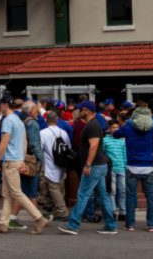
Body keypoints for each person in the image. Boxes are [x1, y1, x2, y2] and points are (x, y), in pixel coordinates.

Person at [0, 99, 48, 234]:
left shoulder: (8, 120)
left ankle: (39, 218)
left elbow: (4, 141)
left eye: (0, 105)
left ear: (4, 105)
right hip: (16, 160)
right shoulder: (19, 120)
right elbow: (25, 141)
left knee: (16, 193)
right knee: (8, 194)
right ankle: (3, 223)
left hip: (9, 161)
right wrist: (21, 159)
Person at [57, 101, 116, 236]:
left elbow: (93, 146)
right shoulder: (93, 124)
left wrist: (88, 164)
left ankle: (73, 225)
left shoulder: (92, 125)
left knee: (83, 194)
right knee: (103, 196)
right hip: (99, 165)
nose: (80, 111)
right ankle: (111, 225)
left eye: (82, 109)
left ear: (88, 110)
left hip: (94, 166)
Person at [119, 102, 153, 232]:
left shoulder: (128, 127)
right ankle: (151, 224)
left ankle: (130, 224)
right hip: (148, 166)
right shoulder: (151, 127)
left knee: (130, 196)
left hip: (132, 166)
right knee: (150, 197)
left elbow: (116, 134)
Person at [38, 109, 70, 219]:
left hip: (49, 164)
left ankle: (62, 211)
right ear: (57, 119)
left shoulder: (42, 133)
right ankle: (54, 208)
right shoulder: (63, 132)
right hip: (62, 164)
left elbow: (40, 149)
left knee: (53, 188)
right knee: (60, 187)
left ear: (46, 120)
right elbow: (68, 148)